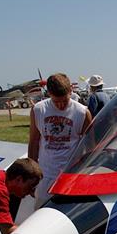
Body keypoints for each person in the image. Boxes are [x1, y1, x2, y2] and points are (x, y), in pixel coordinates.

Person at [28, 73, 92, 208]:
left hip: (70, 176)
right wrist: (30, 176)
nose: (61, 105)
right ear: (49, 94)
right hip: (46, 174)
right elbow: (34, 142)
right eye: (56, 102)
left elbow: (90, 147)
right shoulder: (38, 110)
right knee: (41, 212)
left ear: (71, 91)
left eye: (65, 100)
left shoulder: (82, 112)